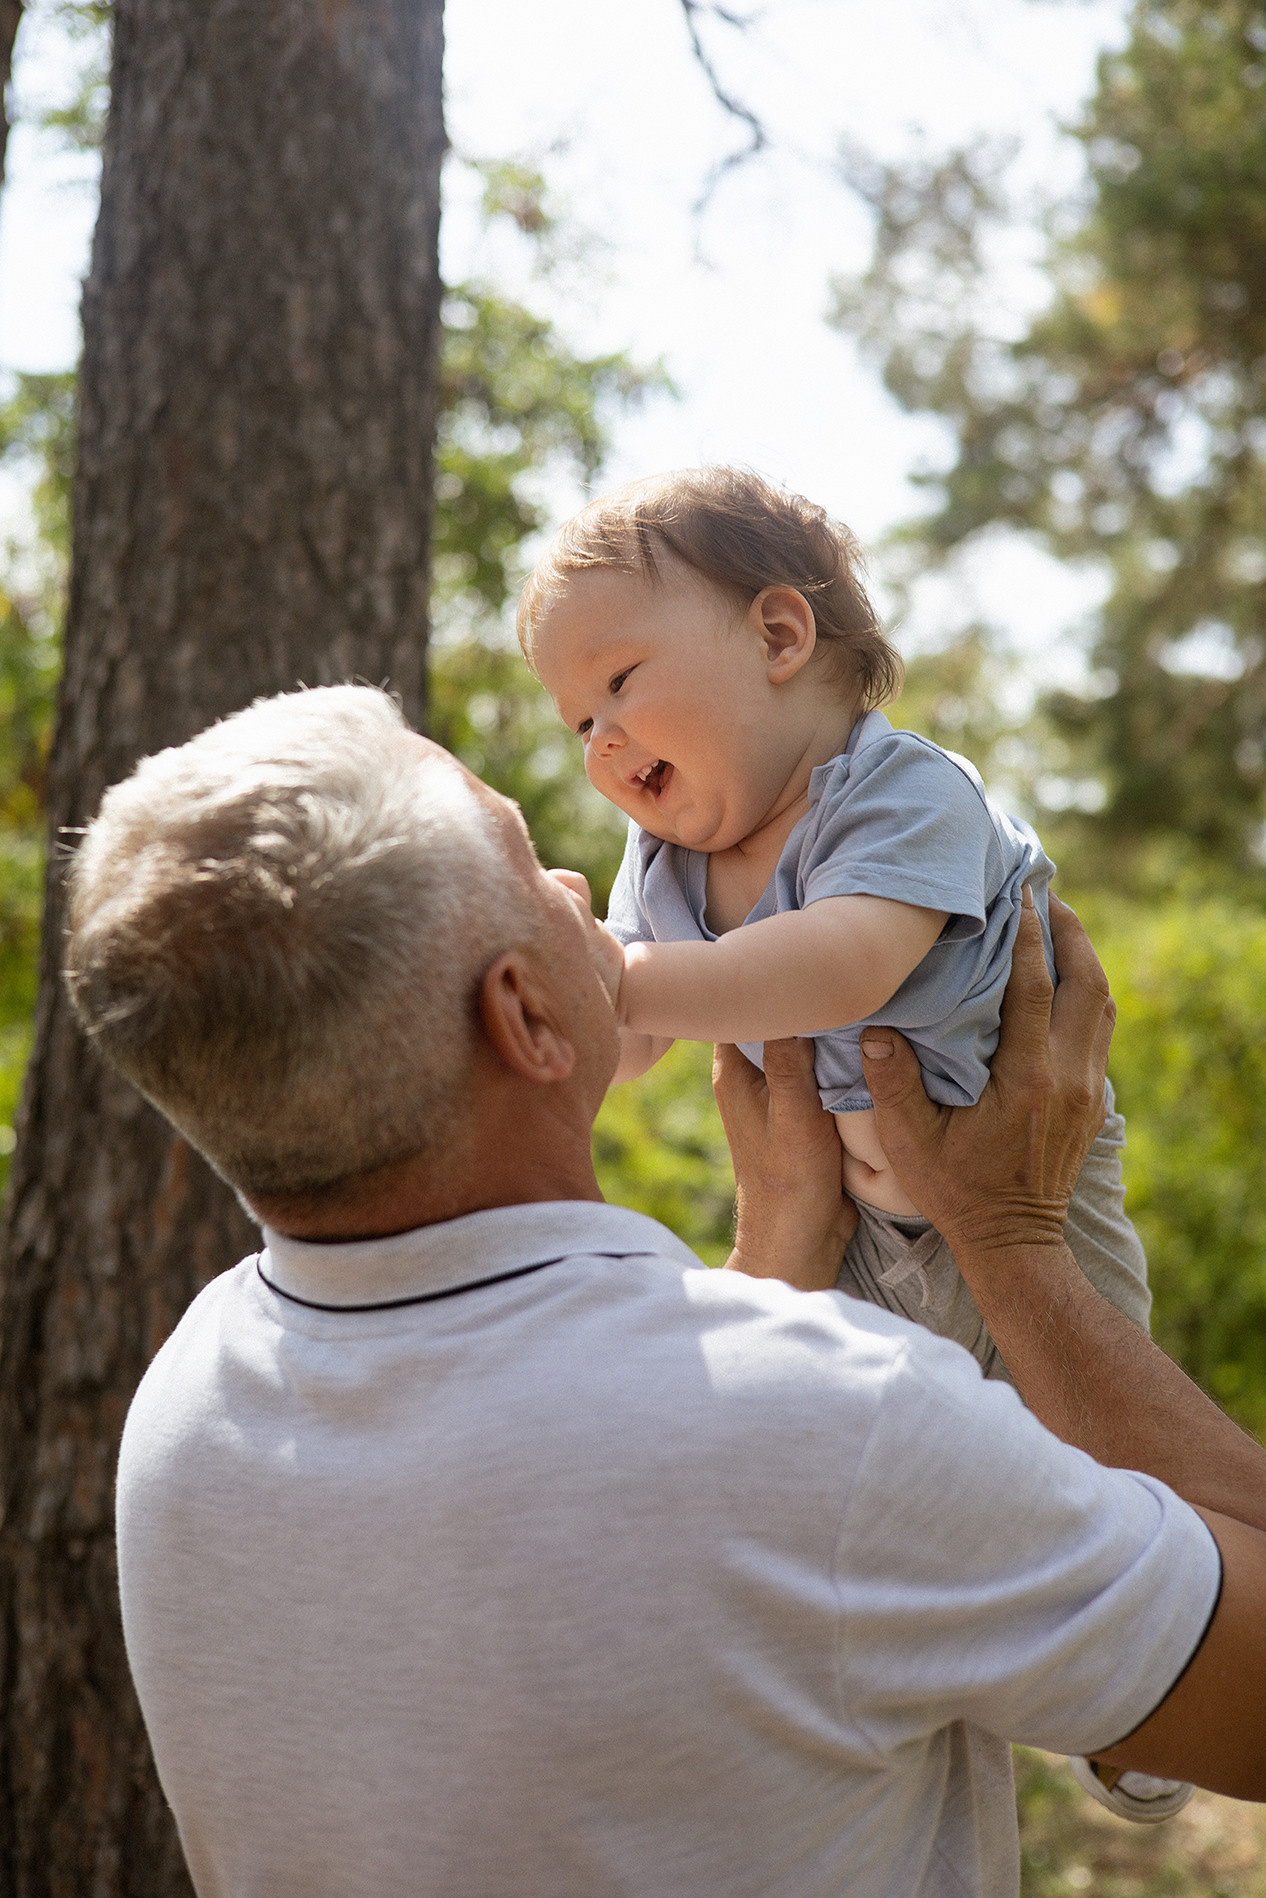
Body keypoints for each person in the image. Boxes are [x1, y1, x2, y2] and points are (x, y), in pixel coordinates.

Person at [66, 686, 1266, 1898]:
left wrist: (777, 1256)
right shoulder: (834, 1429)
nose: (589, 886)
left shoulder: (190, 1402)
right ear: (525, 1015)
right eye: (532, 864)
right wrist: (1011, 1243)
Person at [517, 466, 1152, 1386]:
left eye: (618, 681)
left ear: (779, 636)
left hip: (1039, 1207)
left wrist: (613, 977)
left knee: (1098, 1458)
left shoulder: (904, 788)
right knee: (874, 1473)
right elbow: (634, 1038)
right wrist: (545, 995)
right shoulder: (661, 861)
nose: (601, 738)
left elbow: (845, 963)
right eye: (579, 722)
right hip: (852, 1238)